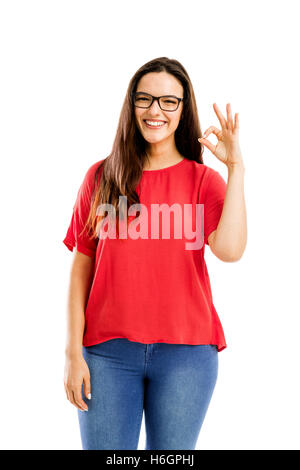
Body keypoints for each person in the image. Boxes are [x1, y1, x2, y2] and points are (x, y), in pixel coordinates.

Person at [62, 57, 247, 450]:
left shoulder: (203, 181)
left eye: (168, 101)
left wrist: (236, 171)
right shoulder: (101, 176)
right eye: (145, 99)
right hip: (107, 355)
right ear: (131, 105)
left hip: (187, 355)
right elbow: (81, 266)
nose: (155, 110)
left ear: (183, 110)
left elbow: (230, 251)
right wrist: (72, 352)